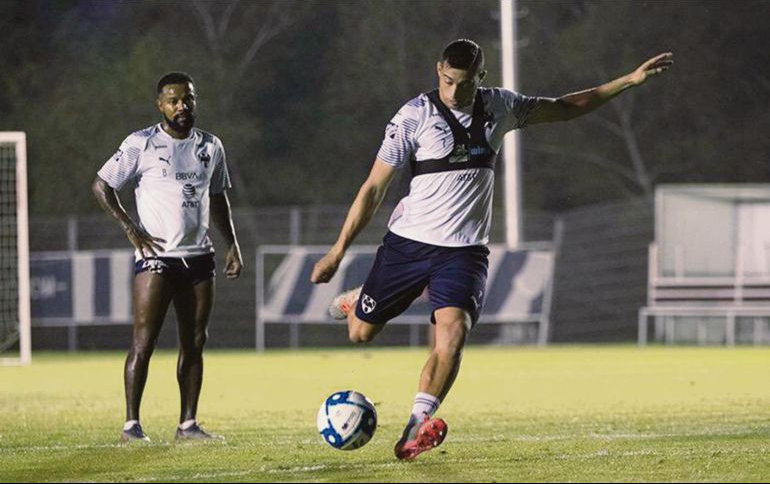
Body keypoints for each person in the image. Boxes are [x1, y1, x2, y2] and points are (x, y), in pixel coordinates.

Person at [311, 39, 672, 460]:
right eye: (447, 81)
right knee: (361, 334)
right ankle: (360, 301)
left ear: (481, 78)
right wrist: (337, 252)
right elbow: (374, 187)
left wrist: (628, 81)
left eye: (464, 84)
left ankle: (414, 428)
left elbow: (566, 106)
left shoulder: (501, 107)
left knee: (453, 335)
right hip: (408, 246)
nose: (454, 92)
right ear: (437, 71)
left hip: (463, 253)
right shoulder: (413, 118)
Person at [92, 72, 243, 442]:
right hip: (157, 258)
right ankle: (131, 425)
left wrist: (232, 243)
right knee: (145, 340)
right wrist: (130, 227)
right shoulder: (140, 143)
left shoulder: (211, 146)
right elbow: (102, 184)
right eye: (173, 100)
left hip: (200, 258)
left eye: (187, 99)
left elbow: (218, 197)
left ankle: (188, 424)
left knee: (195, 341)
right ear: (160, 105)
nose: (182, 106)